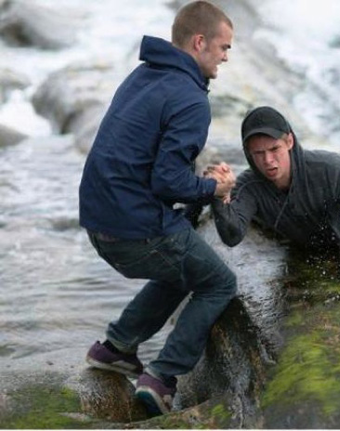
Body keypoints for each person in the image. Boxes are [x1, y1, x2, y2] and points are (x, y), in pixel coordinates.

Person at [78, 1, 237, 417]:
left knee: (184, 262)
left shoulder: (144, 75)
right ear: (199, 42)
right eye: (223, 47)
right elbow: (167, 181)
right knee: (218, 281)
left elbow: (148, 164)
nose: (225, 57)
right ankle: (163, 377)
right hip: (134, 230)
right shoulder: (190, 98)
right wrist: (212, 187)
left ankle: (115, 347)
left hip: (99, 223)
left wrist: (193, 183)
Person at [208, 106, 340, 254]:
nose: (268, 160)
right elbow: (232, 236)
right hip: (302, 253)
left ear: (289, 141)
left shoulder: (328, 167)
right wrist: (219, 196)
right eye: (259, 153)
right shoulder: (248, 187)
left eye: (274, 148)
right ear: (248, 152)